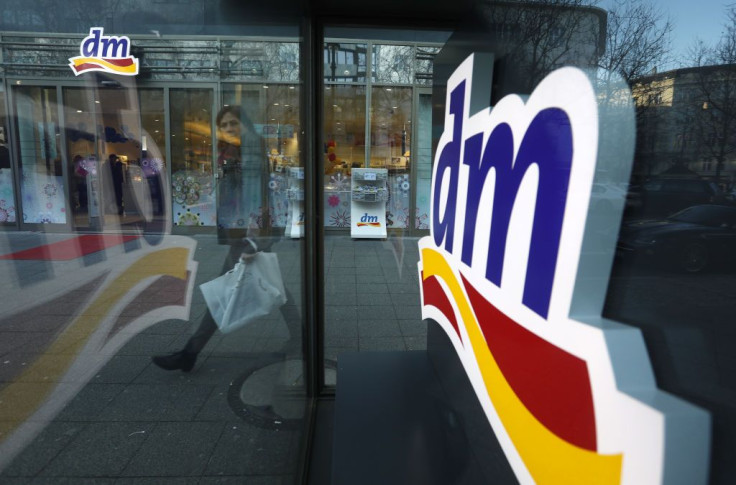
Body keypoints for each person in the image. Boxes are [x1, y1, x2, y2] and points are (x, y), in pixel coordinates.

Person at [152, 106, 300, 372]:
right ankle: (301, 339)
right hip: (242, 232)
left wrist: (256, 241)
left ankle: (191, 352)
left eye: (233, 123)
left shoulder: (250, 152)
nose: (229, 129)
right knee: (274, 288)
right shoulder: (235, 151)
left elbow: (258, 197)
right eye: (224, 125)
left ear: (243, 124)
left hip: (247, 235)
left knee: (224, 292)